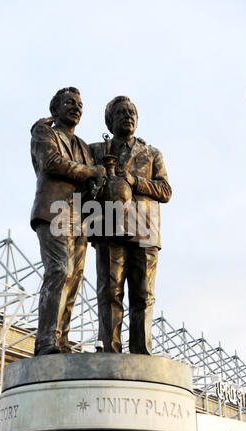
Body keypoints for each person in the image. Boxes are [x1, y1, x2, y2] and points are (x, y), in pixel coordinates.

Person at [90, 96, 172, 354]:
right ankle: (109, 350)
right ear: (109, 120)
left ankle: (142, 352)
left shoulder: (151, 153)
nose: (128, 116)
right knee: (109, 293)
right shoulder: (96, 151)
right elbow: (83, 188)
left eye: (132, 112)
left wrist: (133, 181)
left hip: (145, 228)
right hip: (108, 228)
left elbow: (166, 191)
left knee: (143, 296)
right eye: (121, 112)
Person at [30, 87, 105, 355]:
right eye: (70, 103)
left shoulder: (84, 147)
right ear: (56, 109)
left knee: (73, 278)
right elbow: (51, 162)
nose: (76, 107)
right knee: (59, 270)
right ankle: (45, 341)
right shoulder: (44, 132)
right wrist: (90, 172)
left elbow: (88, 184)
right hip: (53, 211)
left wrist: (96, 183)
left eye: (80, 104)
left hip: (79, 218)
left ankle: (61, 341)